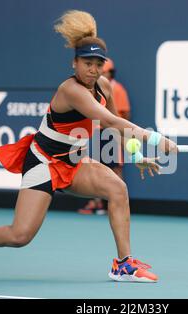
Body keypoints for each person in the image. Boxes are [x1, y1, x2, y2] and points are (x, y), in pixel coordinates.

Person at [0, 10, 177, 283]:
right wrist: (154, 139)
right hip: (44, 164)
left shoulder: (104, 87)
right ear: (74, 63)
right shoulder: (70, 91)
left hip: (73, 163)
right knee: (19, 236)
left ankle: (123, 264)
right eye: (87, 63)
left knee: (117, 189)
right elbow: (107, 118)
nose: (93, 69)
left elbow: (112, 127)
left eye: (98, 63)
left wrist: (136, 153)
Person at [78, 58, 131, 215]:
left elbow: (124, 114)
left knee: (115, 168)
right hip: (96, 131)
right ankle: (96, 203)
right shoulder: (91, 89)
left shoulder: (117, 89)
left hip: (111, 132)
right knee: (94, 167)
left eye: (102, 69)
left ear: (109, 72)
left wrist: (119, 131)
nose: (97, 72)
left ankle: (116, 204)